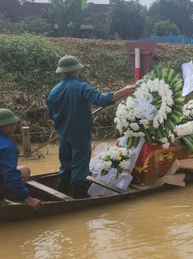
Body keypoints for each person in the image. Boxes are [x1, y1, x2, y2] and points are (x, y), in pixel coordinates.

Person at [47, 55, 137, 198]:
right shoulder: (80, 87)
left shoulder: (54, 91)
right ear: (77, 70)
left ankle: (62, 193)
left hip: (63, 135)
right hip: (80, 135)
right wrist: (123, 92)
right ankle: (79, 197)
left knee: (65, 166)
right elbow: (100, 100)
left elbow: (51, 114)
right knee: (80, 167)